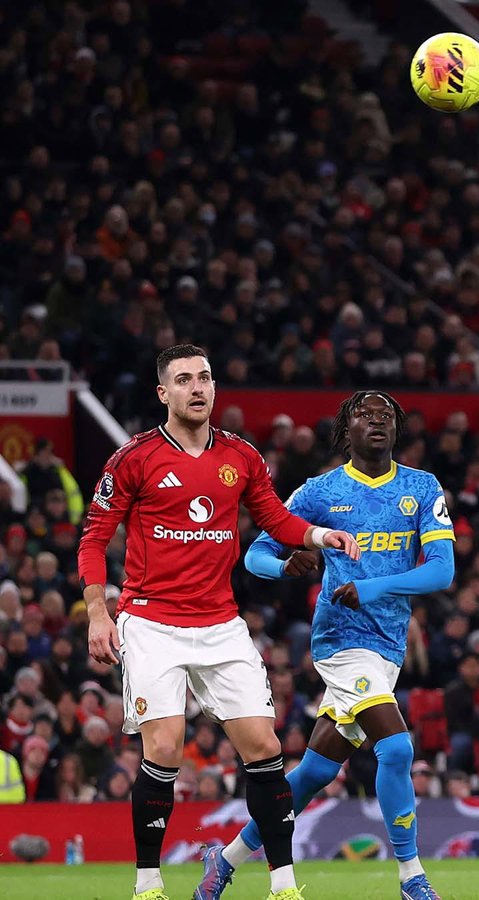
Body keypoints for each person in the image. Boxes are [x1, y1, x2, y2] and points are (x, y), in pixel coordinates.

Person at [77, 344, 361, 900]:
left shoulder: (241, 455)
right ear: (164, 393)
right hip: (151, 621)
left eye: (204, 377)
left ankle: (283, 885)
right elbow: (93, 539)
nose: (198, 388)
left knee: (264, 744)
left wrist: (318, 535)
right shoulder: (133, 459)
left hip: (220, 623)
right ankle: (148, 884)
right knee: (164, 747)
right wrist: (96, 612)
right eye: (184, 380)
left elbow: (273, 515)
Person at [198, 390, 454, 900]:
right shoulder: (321, 491)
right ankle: (412, 878)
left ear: (397, 430)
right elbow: (256, 554)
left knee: (315, 770)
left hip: (388, 647)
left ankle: (223, 861)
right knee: (397, 747)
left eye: (386, 416)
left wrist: (373, 588)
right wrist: (286, 566)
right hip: (340, 641)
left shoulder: (422, 488)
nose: (377, 421)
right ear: (346, 430)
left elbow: (442, 571)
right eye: (365, 415)